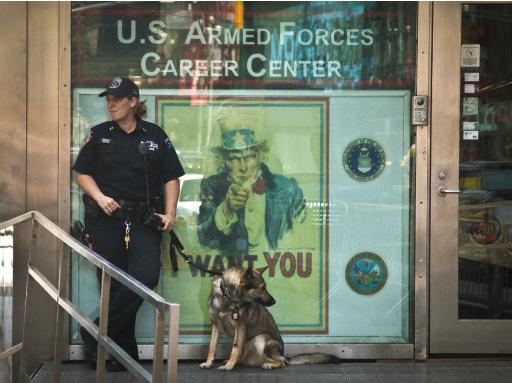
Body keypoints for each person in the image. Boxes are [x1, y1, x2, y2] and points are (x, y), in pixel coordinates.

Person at [73, 77, 184, 371]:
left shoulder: (155, 136)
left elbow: (172, 177)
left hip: (144, 221)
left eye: (117, 98)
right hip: (106, 220)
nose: (110, 103)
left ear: (133, 102)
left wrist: (170, 214)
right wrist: (99, 196)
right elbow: (82, 173)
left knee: (144, 279)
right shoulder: (99, 135)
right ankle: (126, 357)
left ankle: (93, 332)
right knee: (116, 285)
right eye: (108, 98)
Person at [197, 126, 305, 257]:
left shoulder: (287, 188)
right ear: (225, 161)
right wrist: (227, 209)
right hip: (233, 269)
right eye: (234, 158)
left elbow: (300, 236)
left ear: (260, 157)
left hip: (275, 268)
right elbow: (203, 237)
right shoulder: (212, 186)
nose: (243, 167)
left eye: (250, 157)